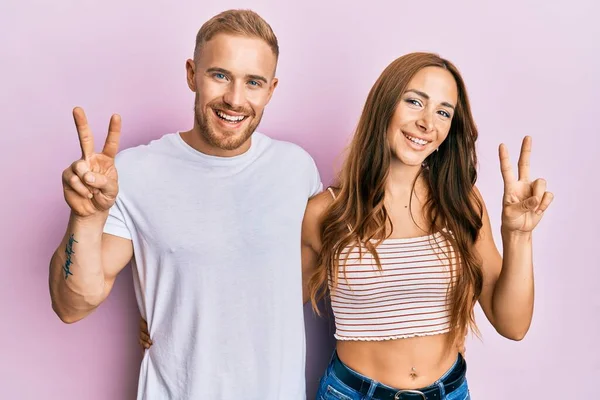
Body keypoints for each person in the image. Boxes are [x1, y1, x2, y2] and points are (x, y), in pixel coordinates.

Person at [48, 9, 322, 400]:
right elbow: (71, 306)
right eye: (220, 75)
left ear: (272, 89)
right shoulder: (135, 172)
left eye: (254, 82)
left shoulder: (296, 168)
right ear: (192, 73)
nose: (235, 99)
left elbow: (291, 277)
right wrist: (85, 217)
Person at [300, 52, 553, 399]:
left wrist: (519, 235)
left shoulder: (461, 202)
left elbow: (513, 324)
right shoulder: (326, 212)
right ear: (384, 104)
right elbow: (272, 312)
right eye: (414, 101)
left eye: (443, 112)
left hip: (449, 392)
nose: (427, 123)